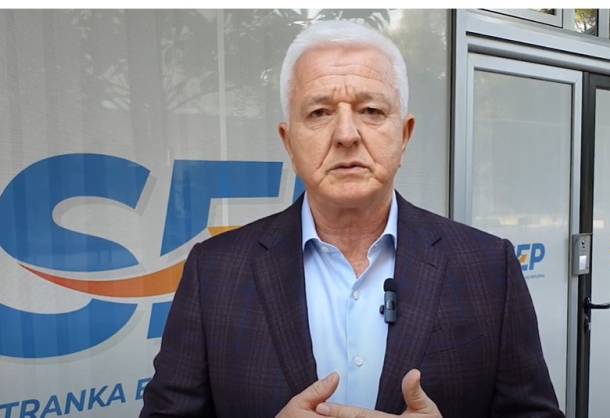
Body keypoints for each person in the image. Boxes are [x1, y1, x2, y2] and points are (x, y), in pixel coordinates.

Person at [140, 19, 564, 418]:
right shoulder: (214, 272)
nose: (346, 134)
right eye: (319, 112)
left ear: (405, 135)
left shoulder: (489, 268)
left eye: (372, 110)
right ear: (288, 141)